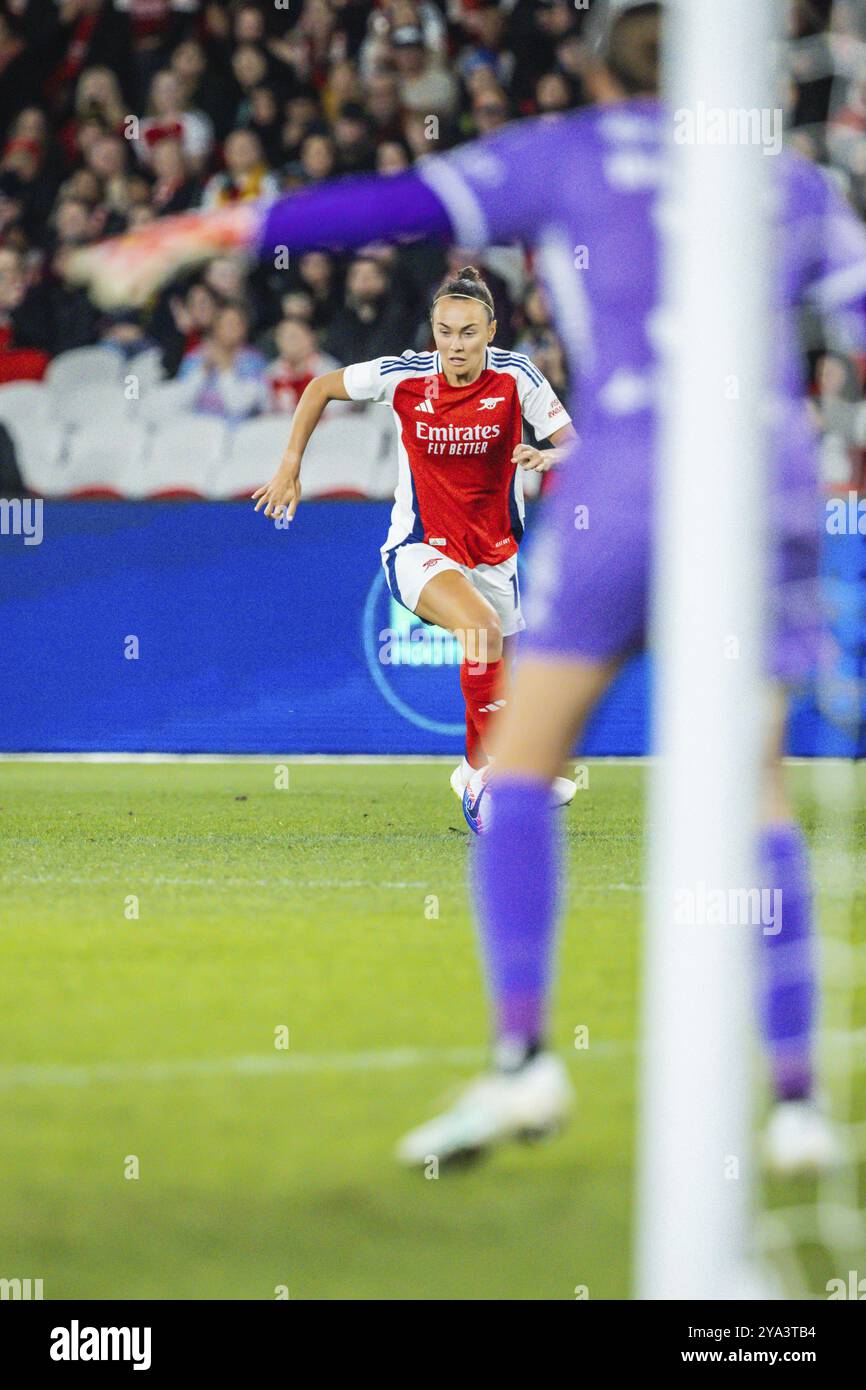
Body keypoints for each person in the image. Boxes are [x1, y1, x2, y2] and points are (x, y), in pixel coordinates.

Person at [66, 0, 866, 1175]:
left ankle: (520, 1057)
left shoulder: (571, 151)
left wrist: (201, 233)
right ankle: (796, 1103)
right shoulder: (793, 186)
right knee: (752, 794)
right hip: (763, 483)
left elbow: (378, 206)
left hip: (630, 481)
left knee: (526, 768)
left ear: (602, 74)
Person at [253, 264, 578, 808]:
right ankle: (500, 779)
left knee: (500, 678)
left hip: (496, 554)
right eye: (445, 332)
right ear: (433, 331)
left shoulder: (517, 376)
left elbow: (574, 443)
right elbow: (319, 387)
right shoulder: (403, 376)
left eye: (469, 332)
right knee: (481, 628)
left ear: (491, 331)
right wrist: (290, 466)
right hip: (419, 548)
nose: (455, 345)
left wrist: (546, 454)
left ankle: (474, 771)